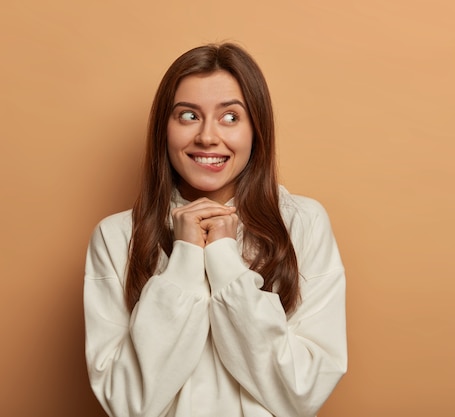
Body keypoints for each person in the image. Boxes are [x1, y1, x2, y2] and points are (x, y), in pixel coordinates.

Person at [83, 43, 347, 417]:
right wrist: (186, 260)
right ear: (164, 129)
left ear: (256, 129)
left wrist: (224, 260)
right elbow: (127, 404)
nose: (207, 136)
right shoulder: (115, 237)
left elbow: (302, 392)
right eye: (188, 115)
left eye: (230, 117)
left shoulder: (303, 222)